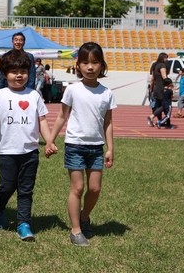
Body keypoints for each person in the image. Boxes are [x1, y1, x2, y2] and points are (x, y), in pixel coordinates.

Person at [45, 42, 116, 247]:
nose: (90, 67)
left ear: (102, 65)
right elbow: (61, 116)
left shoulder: (106, 93)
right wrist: (50, 139)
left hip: (96, 147)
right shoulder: (73, 90)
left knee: (94, 189)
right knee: (77, 187)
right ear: (78, 66)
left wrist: (110, 148)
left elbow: (108, 122)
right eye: (85, 62)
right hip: (75, 145)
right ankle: (76, 230)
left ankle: (85, 216)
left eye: (95, 62)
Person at [0, 49, 51, 241]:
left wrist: (49, 141)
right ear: (4, 74)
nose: (19, 75)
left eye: (23, 71)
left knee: (26, 189)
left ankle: (23, 224)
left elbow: (42, 120)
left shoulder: (34, 95)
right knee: (7, 186)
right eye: (13, 71)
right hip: (7, 150)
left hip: (30, 151)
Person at [147, 52, 168, 127]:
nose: (167, 60)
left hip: (155, 88)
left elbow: (152, 78)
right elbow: (164, 76)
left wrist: (151, 88)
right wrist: (170, 84)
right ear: (163, 58)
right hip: (161, 88)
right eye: (166, 58)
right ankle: (151, 116)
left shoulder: (154, 65)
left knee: (158, 105)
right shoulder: (162, 65)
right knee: (165, 105)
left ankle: (159, 121)